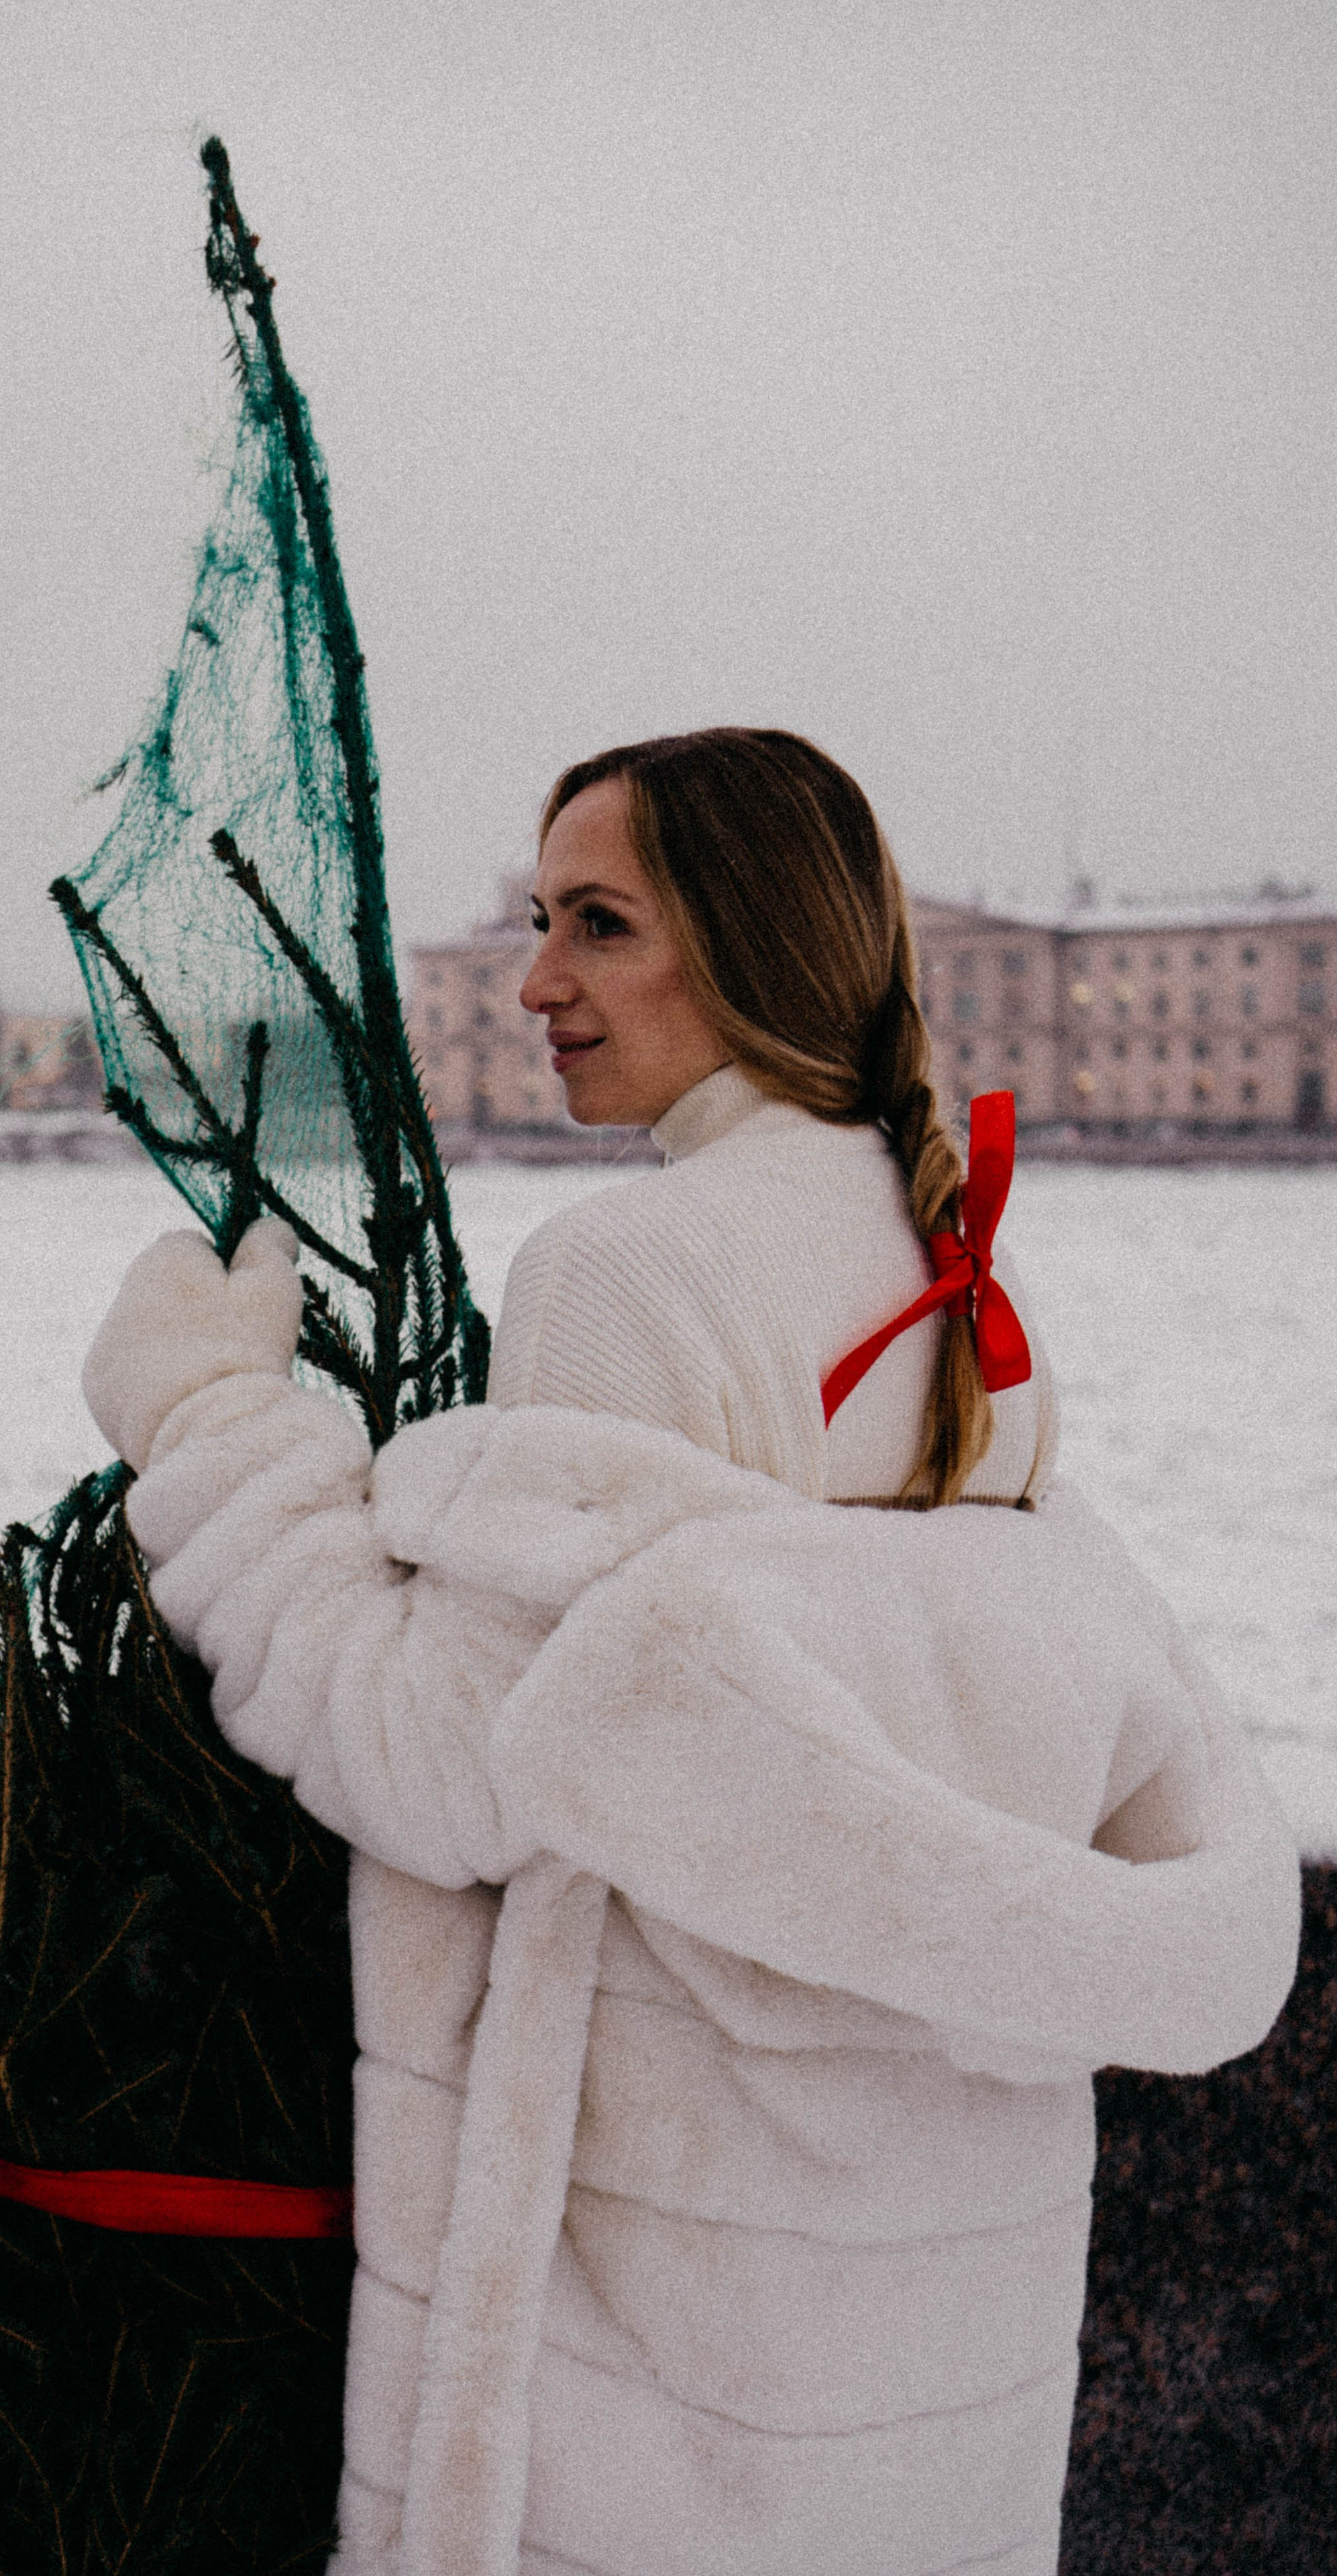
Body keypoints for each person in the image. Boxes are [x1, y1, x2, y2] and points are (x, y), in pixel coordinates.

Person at [83, 729, 1299, 2576]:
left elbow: (448, 1765)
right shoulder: (960, 1271)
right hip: (924, 2333)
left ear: (741, 944)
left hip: (657, 2336)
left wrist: (216, 1424)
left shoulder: (629, 1270)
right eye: (534, 919)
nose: (535, 979)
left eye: (597, 923)